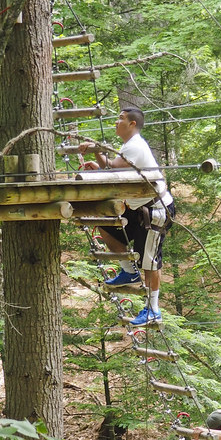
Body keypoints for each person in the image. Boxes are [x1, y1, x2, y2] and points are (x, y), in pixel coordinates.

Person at [79, 108, 175, 326]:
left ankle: (153, 309)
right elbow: (115, 171)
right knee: (107, 226)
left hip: (155, 211)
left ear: (132, 124)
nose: (116, 121)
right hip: (137, 207)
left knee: (149, 261)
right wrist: (98, 158)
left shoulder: (136, 146)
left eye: (121, 118)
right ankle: (129, 272)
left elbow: (113, 168)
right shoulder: (128, 146)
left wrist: (96, 149)